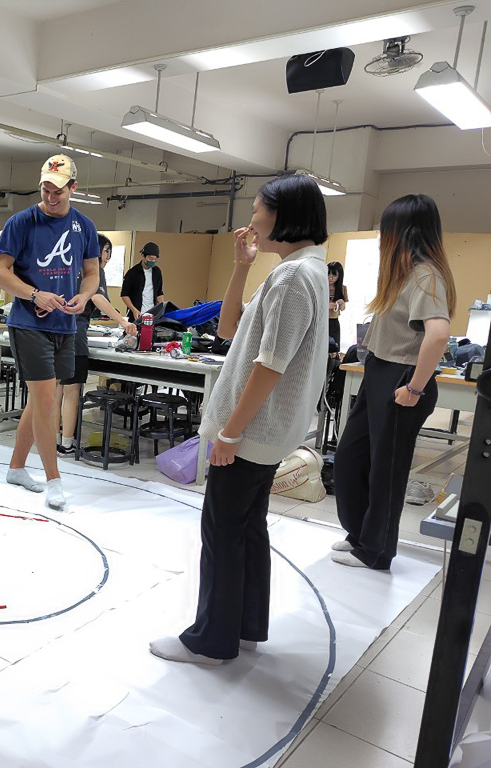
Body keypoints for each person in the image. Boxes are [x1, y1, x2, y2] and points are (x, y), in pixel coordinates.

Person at [150, 173, 330, 665]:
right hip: (265, 431)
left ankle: (211, 640)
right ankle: (245, 626)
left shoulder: (294, 277)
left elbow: (270, 365)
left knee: (223, 531)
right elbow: (230, 327)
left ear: (283, 216)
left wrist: (230, 433)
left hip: (252, 431)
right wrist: (240, 266)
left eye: (257, 210)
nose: (251, 219)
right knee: (247, 527)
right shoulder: (302, 270)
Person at [332, 194, 455, 570]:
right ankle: (359, 535)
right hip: (380, 372)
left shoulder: (426, 275)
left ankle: (376, 550)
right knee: (351, 458)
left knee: (386, 471)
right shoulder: (404, 274)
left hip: (402, 378)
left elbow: (438, 335)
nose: (383, 237)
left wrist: (415, 387)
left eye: (387, 229)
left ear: (405, 231)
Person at [0, 154, 100, 510]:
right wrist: (34, 293)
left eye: (58, 191)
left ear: (73, 188)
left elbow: (92, 273)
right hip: (29, 324)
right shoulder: (21, 222)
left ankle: (16, 468)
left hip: (65, 325)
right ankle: (54, 479)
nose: (51, 197)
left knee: (43, 400)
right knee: (47, 402)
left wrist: (85, 296)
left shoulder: (84, 226)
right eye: (45, 190)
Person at [56, 233, 138, 455]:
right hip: (74, 336)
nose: (108, 256)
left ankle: (54, 439)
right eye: (106, 251)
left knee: (57, 391)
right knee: (71, 392)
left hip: (54, 334)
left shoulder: (67, 266)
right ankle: (66, 444)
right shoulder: (94, 270)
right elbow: (97, 298)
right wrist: (123, 321)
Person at [120, 241, 165, 321]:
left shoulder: (157, 272)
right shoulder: (132, 273)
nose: (152, 261)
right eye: (150, 258)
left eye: (155, 259)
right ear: (143, 256)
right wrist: (134, 310)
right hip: (136, 314)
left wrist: (162, 308)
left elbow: (159, 293)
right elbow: (124, 295)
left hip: (152, 314)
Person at [327, 260, 349, 352]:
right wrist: (326, 306)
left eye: (334, 275)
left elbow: (343, 309)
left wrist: (342, 304)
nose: (330, 278)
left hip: (334, 321)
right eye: (328, 274)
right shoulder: (321, 287)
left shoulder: (342, 288)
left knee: (333, 349)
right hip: (321, 320)